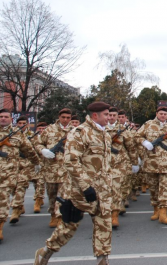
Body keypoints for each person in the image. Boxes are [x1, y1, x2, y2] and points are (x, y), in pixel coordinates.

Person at [34, 102, 113, 265]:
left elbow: (105, 163)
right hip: (81, 191)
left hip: (102, 190)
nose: (109, 117)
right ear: (95, 115)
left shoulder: (106, 134)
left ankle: (102, 260)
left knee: (104, 226)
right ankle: (46, 252)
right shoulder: (80, 132)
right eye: (106, 114)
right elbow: (71, 162)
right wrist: (86, 187)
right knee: (69, 227)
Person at [135, 106, 167, 225]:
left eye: (165, 114)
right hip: (151, 163)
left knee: (165, 189)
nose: (163, 116)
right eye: (161, 113)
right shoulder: (148, 124)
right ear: (156, 114)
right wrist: (145, 143)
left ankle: (163, 213)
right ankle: (156, 209)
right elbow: (136, 136)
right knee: (154, 189)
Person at [0, 109, 40, 240]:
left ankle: (0, 227)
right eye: (1, 116)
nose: (3, 119)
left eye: (6, 117)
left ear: (11, 119)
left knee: (3, 199)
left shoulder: (16, 135)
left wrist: (36, 162)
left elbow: (28, 149)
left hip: (8, 174)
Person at [35, 108, 73, 227]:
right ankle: (53, 215)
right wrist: (43, 150)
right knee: (52, 195)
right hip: (51, 169)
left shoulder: (76, 131)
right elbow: (38, 143)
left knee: (63, 195)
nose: (65, 120)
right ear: (59, 117)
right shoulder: (49, 129)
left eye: (68, 118)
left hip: (67, 170)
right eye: (63, 117)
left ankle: (59, 216)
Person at [106, 107, 138, 228]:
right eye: (109, 115)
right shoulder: (99, 129)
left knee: (117, 189)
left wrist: (135, 163)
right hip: (102, 165)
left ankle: (114, 216)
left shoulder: (123, 130)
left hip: (119, 164)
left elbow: (131, 147)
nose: (111, 117)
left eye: (114, 115)